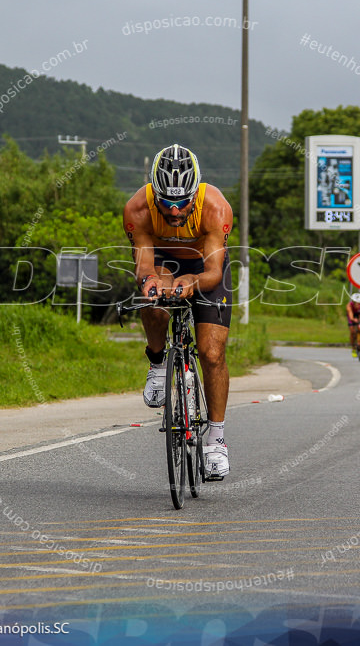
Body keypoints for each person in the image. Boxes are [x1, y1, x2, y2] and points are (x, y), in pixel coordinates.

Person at [123, 144, 233, 479]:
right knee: (151, 298)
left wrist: (191, 282)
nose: (173, 211)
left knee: (211, 353)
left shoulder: (215, 207)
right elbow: (144, 264)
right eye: (166, 203)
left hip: (204, 265)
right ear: (153, 193)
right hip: (162, 260)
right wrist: (151, 282)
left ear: (195, 192)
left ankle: (216, 440)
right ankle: (157, 363)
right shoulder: (137, 209)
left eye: (182, 203)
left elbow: (213, 272)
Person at [347, 291, 360, 357]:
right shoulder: (349, 305)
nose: (357, 304)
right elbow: (351, 316)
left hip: (359, 314)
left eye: (358, 303)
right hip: (352, 315)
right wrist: (353, 319)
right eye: (355, 302)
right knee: (352, 332)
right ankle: (353, 348)